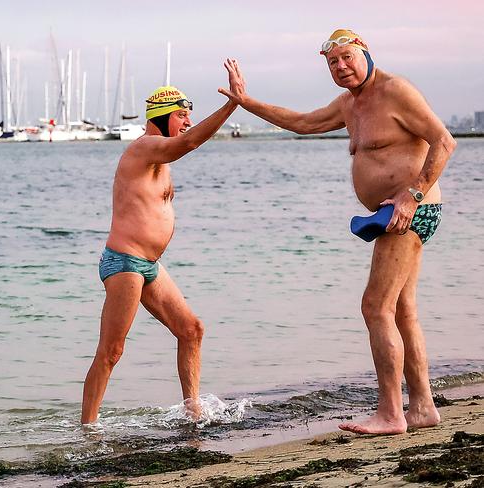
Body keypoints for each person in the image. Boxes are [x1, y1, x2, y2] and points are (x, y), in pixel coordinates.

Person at [220, 29, 456, 435]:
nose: (341, 66)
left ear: (365, 53)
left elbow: (444, 141)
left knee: (375, 307)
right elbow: (303, 122)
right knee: (402, 310)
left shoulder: (396, 90)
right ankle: (421, 408)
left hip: (410, 212)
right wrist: (246, 102)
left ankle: (390, 414)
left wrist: (410, 196)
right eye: (333, 62)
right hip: (395, 214)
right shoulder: (350, 104)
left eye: (347, 57)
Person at [81, 69, 242, 424]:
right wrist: (232, 105)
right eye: (182, 115)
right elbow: (187, 143)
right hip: (124, 262)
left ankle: (192, 411)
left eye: (188, 114)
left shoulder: (160, 157)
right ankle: (88, 429)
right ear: (162, 117)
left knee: (191, 330)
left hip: (149, 265)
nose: (187, 121)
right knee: (111, 351)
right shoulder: (144, 148)